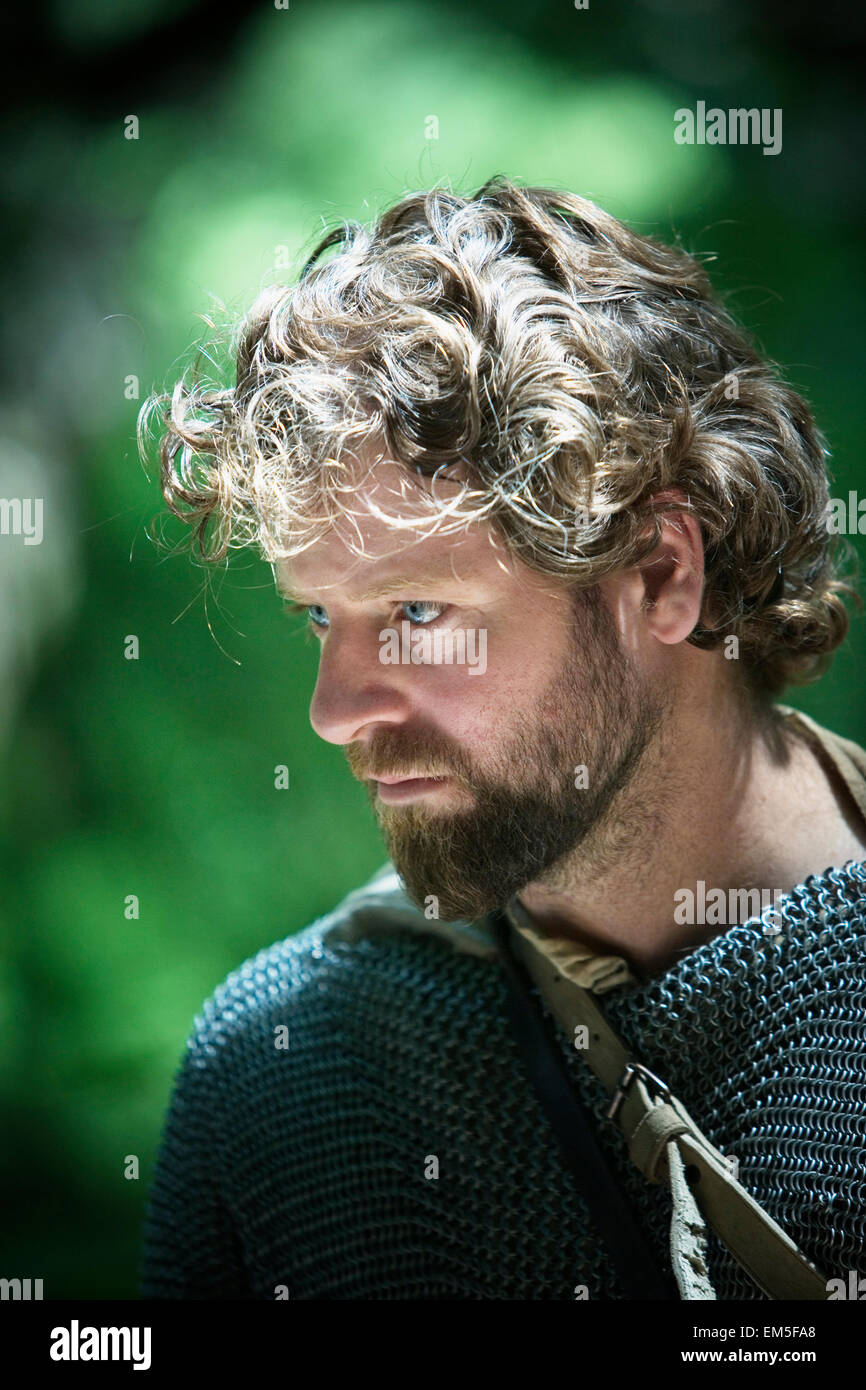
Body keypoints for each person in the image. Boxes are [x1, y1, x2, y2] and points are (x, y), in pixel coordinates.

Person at [137, 176, 866, 1299]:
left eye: (416, 614)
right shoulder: (280, 1076)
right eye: (319, 617)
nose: (334, 711)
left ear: (662, 573)